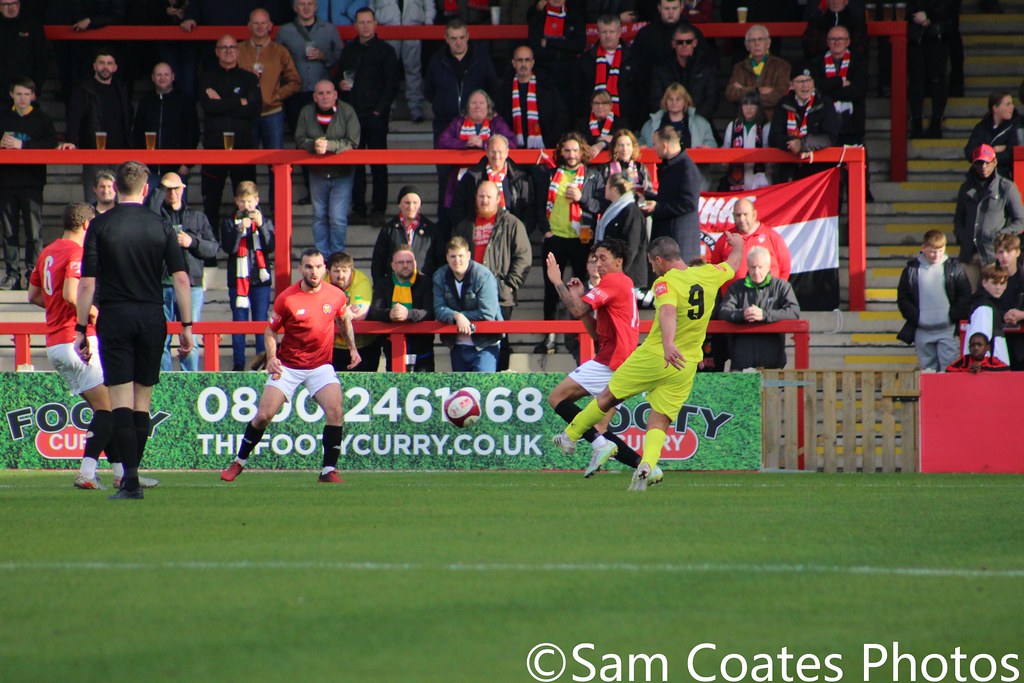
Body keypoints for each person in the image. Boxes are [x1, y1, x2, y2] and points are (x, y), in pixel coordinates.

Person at [553, 233, 745, 491]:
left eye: (652, 265)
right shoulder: (709, 274)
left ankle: (570, 436)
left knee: (608, 396)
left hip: (657, 354)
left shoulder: (666, 282)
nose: (652, 270)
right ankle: (647, 465)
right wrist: (740, 245)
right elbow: (733, 264)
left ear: (659, 260)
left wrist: (667, 343)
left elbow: (667, 311)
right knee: (660, 422)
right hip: (685, 365)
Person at [76, 161, 194, 500]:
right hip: (151, 316)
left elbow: (86, 283)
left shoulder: (99, 225)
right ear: (145, 190)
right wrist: (186, 327)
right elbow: (182, 279)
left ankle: (129, 480)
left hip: (115, 316)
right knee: (142, 402)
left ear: (118, 187)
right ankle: (133, 477)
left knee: (120, 402)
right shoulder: (161, 225)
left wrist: (82, 328)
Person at [220, 248, 358, 484]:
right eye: (308, 267)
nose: (313, 272)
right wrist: (272, 358)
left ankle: (328, 470)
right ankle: (239, 462)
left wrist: (352, 348)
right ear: (300, 269)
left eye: (317, 267)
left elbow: (343, 319)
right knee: (263, 415)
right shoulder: (288, 298)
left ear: (324, 268)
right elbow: (271, 330)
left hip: (320, 365)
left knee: (336, 411)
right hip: (289, 365)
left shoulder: (336, 295)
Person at [27, 203, 127, 490]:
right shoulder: (76, 252)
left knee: (102, 411)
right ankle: (86, 472)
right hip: (76, 340)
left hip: (56, 344)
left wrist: (58, 306)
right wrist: (93, 312)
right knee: (108, 409)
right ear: (86, 225)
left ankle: (121, 474)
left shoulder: (48, 251)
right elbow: (73, 293)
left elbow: (33, 295)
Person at [545, 239, 661, 480]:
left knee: (557, 397)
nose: (598, 263)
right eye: (595, 258)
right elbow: (596, 333)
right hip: (625, 364)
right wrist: (581, 297)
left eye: (603, 258)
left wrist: (557, 281)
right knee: (598, 427)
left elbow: (577, 310)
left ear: (619, 262)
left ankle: (597, 444)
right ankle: (647, 467)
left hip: (612, 361)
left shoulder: (615, 281)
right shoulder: (621, 286)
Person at [451, 180, 532, 370]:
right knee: (468, 339)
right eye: (481, 196)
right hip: (469, 295)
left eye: (488, 196)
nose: (484, 200)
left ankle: (499, 384)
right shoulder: (465, 225)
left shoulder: (512, 223)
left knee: (500, 340)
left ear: (498, 199)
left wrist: (508, 286)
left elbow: (524, 257)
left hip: (500, 296)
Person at [536, 132, 603, 354]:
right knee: (552, 289)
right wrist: (545, 231)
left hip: (581, 239)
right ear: (561, 152)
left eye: (575, 150)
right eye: (567, 150)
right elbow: (537, 203)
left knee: (582, 288)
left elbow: (600, 205)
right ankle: (549, 338)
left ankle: (580, 334)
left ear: (582, 151)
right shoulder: (550, 173)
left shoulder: (593, 175)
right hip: (555, 238)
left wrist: (581, 198)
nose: (571, 154)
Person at [146, 172, 218, 372]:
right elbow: (148, 209)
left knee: (190, 339)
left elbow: (213, 248)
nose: (172, 193)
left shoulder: (198, 217)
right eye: (168, 189)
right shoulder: (155, 215)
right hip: (161, 284)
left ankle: (190, 382)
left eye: (176, 188)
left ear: (183, 189)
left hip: (191, 285)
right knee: (161, 339)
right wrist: (160, 187)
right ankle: (165, 383)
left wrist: (192, 242)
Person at [339, 8, 401, 224]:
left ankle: (378, 210)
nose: (365, 26)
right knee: (355, 164)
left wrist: (379, 110)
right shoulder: (348, 51)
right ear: (355, 25)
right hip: (352, 115)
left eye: (368, 22)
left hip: (375, 115)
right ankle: (358, 209)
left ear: (375, 24)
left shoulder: (385, 51)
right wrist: (341, 85)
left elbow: (392, 83)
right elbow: (339, 76)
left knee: (378, 164)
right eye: (361, 22)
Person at [0, 78, 60, 292]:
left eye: (27, 94)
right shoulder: (3, 116)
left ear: (33, 95)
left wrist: (22, 145)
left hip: (32, 182)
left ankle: (33, 274)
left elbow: (51, 143)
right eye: (18, 94)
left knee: (34, 232)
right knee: (9, 232)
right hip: (6, 182)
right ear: (11, 95)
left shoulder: (42, 119)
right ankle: (12, 275)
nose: (23, 98)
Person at [198, 35, 262, 229]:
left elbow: (254, 109)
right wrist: (238, 102)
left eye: (232, 47)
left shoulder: (249, 78)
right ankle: (209, 249)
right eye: (223, 47)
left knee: (246, 199)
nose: (228, 51)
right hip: (214, 146)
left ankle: (245, 243)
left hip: (243, 147)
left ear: (238, 51)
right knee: (211, 201)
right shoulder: (206, 77)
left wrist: (221, 102)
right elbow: (208, 107)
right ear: (217, 52)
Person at [295, 80, 361, 255]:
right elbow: (299, 139)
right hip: (317, 173)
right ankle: (322, 256)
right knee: (319, 216)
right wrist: (314, 144)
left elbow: (353, 141)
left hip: (343, 173)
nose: (325, 96)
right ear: (314, 97)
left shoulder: (347, 111)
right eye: (321, 93)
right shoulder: (306, 112)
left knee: (338, 218)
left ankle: (337, 256)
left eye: (328, 93)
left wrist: (330, 146)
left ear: (335, 95)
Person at [896, 229, 972, 372]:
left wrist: (952, 315)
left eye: (940, 250)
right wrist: (917, 317)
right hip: (922, 330)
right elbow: (903, 298)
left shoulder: (954, 267)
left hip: (948, 330)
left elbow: (965, 293)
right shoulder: (911, 269)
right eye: (932, 251)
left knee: (950, 371)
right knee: (927, 372)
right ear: (923, 248)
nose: (936, 255)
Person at [65, 49, 134, 202]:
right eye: (101, 63)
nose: (105, 67)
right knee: (93, 201)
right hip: (94, 153)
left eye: (109, 63)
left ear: (115, 67)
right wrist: (71, 140)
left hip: (119, 153)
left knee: (119, 201)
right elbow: (74, 117)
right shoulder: (83, 89)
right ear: (94, 66)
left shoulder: (121, 89)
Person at [718, 246, 801, 371]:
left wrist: (765, 315)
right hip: (741, 362)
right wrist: (743, 314)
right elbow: (723, 312)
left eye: (760, 267)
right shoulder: (736, 288)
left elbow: (794, 312)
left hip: (773, 362)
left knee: (772, 390)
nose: (756, 271)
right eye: (752, 267)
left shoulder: (782, 287)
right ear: (747, 266)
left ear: (768, 267)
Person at [953, 144, 1024, 289]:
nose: (983, 166)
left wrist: (1001, 235)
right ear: (973, 164)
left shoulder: (1006, 187)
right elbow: (959, 218)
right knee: (969, 298)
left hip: (993, 255)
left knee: (995, 296)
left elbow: (1020, 220)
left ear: (995, 162)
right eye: (979, 162)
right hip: (969, 255)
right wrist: (961, 235)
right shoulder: (965, 188)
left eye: (987, 162)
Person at [221, 181, 275, 372]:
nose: (247, 206)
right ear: (236, 201)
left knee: (261, 321)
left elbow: (271, 247)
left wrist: (260, 227)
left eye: (250, 201)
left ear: (257, 200)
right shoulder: (229, 222)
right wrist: (239, 230)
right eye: (243, 202)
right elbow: (230, 248)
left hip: (260, 280)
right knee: (239, 322)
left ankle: (261, 361)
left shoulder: (265, 220)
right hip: (237, 280)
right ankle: (238, 364)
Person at [433, 236, 503, 372]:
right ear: (447, 257)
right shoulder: (440, 276)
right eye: (452, 256)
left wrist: (462, 317)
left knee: (482, 390)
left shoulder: (483, 276)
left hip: (485, 344)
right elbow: (438, 309)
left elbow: (487, 313)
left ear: (469, 255)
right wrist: (456, 316)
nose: (457, 260)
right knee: (461, 391)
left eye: (461, 255)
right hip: (457, 345)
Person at [425, 20, 499, 146]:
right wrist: (443, 105)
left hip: (477, 125)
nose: (458, 43)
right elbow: (429, 92)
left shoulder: (481, 59)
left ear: (468, 36)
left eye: (462, 37)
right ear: (446, 38)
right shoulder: (436, 61)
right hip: (445, 124)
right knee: (444, 164)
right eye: (453, 38)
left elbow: (493, 88)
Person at [369, 245, 436, 371]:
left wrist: (408, 314)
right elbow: (374, 311)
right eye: (400, 262)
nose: (405, 265)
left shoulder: (426, 282)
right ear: (393, 265)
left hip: (422, 350)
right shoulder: (383, 284)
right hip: (392, 350)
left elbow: (430, 312)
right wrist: (390, 314)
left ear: (415, 264)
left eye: (409, 262)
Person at [639, 83, 716, 192]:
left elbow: (712, 145)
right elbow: (640, 144)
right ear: (665, 101)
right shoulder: (650, 124)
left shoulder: (701, 124)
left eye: (678, 99)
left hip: (690, 176)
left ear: (685, 101)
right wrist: (643, 148)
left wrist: (707, 148)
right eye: (670, 99)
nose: (674, 102)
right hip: (659, 176)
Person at [131, 62, 199, 182]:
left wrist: (187, 164)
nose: (162, 78)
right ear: (153, 77)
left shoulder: (185, 101)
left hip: (177, 169)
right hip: (148, 170)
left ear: (173, 76)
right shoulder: (145, 102)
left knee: (176, 201)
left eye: (166, 74)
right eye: (159, 75)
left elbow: (193, 133)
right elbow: (137, 133)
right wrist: (141, 162)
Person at [769, 65, 840, 181]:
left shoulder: (824, 103)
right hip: (789, 171)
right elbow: (774, 137)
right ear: (791, 85)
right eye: (801, 81)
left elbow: (830, 137)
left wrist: (803, 145)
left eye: (808, 80)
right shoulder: (783, 103)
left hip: (818, 170)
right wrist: (792, 144)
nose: (805, 85)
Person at [709, 198, 792, 295]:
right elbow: (715, 269)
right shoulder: (725, 239)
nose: (742, 219)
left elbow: (785, 269)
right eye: (738, 215)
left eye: (745, 214)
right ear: (733, 216)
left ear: (754, 215)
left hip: (767, 302)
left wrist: (776, 294)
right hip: (733, 303)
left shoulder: (773, 237)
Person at [494, 45, 570, 150]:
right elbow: (499, 120)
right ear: (513, 63)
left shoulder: (547, 87)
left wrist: (549, 141)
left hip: (544, 148)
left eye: (527, 60)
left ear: (532, 63)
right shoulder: (504, 90)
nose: (524, 64)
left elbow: (561, 116)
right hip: (512, 149)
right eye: (520, 60)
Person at [449, 135, 532, 229]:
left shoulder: (520, 178)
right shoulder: (472, 177)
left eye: (500, 152)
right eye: (493, 151)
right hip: (479, 233)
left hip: (510, 234)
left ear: (507, 153)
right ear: (487, 152)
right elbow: (458, 208)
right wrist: (468, 232)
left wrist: (518, 234)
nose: (496, 156)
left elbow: (529, 213)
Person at [644, 125, 701, 262]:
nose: (653, 147)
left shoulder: (687, 168)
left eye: (654, 144)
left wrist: (657, 208)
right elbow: (669, 198)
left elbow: (689, 204)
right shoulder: (671, 166)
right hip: (668, 241)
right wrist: (647, 197)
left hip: (679, 243)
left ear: (664, 145)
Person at [648, 22, 718, 124]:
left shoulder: (706, 66)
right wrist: (673, 116)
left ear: (694, 43)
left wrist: (694, 117)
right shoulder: (661, 68)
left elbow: (712, 99)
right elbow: (655, 99)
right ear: (673, 44)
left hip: (699, 121)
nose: (684, 45)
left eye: (688, 41)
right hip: (667, 122)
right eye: (680, 42)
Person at [574, 14, 637, 127]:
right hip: (591, 124)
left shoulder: (632, 59)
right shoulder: (586, 60)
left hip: (625, 123)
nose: (608, 36)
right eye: (604, 32)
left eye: (611, 32)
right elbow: (578, 95)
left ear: (619, 32)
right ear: (598, 33)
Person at [630, 0, 687, 123]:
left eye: (674, 8)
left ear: (682, 7)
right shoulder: (645, 34)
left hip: (687, 107)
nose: (670, 12)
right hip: (648, 103)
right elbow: (636, 72)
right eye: (667, 8)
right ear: (659, 8)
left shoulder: (692, 33)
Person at [371, 186, 442, 282]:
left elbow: (441, 262)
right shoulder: (388, 229)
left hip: (425, 287)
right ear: (399, 204)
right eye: (407, 203)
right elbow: (378, 263)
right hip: (395, 286)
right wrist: (380, 288)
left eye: (415, 203)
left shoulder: (432, 230)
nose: (411, 207)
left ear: (420, 205)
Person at [907, 0, 954, 139]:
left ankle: (936, 121)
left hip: (938, 32)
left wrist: (929, 15)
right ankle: (916, 121)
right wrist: (916, 15)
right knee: (916, 79)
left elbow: (950, 5)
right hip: (915, 34)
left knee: (937, 79)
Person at [724, 25, 791, 121]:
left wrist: (744, 90)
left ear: (768, 43)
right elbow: (730, 94)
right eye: (752, 40)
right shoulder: (739, 67)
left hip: (772, 121)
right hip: (746, 121)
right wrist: (757, 90)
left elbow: (781, 96)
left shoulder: (782, 66)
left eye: (761, 39)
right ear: (747, 45)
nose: (757, 43)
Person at [328, 251, 380, 371]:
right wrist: (345, 312)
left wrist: (332, 312)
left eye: (345, 271)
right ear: (328, 271)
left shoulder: (361, 281)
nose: (341, 275)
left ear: (351, 270)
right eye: (336, 271)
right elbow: (317, 312)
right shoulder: (322, 280)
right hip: (332, 346)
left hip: (363, 345)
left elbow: (360, 314)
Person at [595, 173, 647, 289]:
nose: (604, 189)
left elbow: (631, 246)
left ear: (614, 190)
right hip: (613, 272)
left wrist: (620, 272)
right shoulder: (614, 209)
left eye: (607, 185)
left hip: (628, 276)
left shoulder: (631, 212)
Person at [526, 0, 586, 95]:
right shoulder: (537, 18)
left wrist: (549, 43)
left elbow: (578, 46)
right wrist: (563, 49)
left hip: (569, 72)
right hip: (543, 72)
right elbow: (535, 50)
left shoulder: (575, 17)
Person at [719, 91, 772, 192]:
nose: (749, 108)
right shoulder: (733, 126)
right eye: (745, 104)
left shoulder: (765, 126)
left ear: (758, 108)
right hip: (737, 177)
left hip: (760, 177)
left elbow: (768, 152)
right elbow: (725, 148)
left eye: (753, 104)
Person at [964, 90, 1022, 181]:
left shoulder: (1017, 126)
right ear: (995, 108)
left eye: (1012, 103)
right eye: (1008, 104)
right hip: (980, 178)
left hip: (1005, 177)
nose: (1012, 107)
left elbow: (1010, 154)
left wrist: (983, 153)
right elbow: (969, 152)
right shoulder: (981, 127)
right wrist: (992, 150)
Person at [0, 0, 47, 110]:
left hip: (24, 92)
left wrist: (35, 89)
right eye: (6, 4)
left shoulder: (32, 26)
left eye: (14, 3)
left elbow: (41, 61)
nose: (11, 8)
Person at [964, 263, 1011, 366]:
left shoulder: (988, 304)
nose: (998, 287)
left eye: (1002, 283)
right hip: (988, 369)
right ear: (984, 283)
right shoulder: (984, 307)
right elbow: (978, 345)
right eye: (994, 283)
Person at [994, 232, 1024, 369]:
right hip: (999, 342)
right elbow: (981, 305)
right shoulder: (988, 278)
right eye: (1000, 252)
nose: (1004, 256)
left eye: (1009, 251)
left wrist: (1021, 315)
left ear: (1018, 252)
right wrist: (1002, 315)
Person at [575, 90, 620, 157]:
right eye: (596, 103)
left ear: (610, 105)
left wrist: (602, 144)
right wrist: (600, 139)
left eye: (604, 103)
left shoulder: (620, 122)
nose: (600, 106)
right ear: (591, 105)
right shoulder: (582, 123)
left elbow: (620, 141)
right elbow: (578, 140)